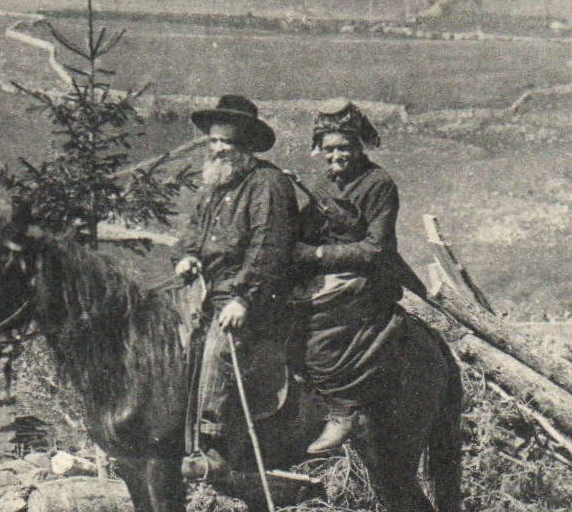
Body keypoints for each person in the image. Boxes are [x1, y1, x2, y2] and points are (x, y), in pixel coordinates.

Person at [174, 95, 298, 478]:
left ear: (246, 144)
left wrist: (244, 297)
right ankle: (172, 434)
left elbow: (269, 247)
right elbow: (194, 231)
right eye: (213, 141)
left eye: (227, 141)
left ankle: (210, 445)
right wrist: (188, 255)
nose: (218, 148)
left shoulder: (268, 184)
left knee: (217, 349)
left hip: (256, 297)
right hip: (210, 291)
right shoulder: (213, 187)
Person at [296, 99, 425, 453]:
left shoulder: (378, 184)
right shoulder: (324, 186)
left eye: (344, 147)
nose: (336, 155)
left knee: (320, 328)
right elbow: (305, 231)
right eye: (328, 149)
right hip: (335, 273)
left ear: (358, 145)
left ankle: (343, 410)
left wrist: (318, 254)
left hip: (369, 279)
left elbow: (375, 249)